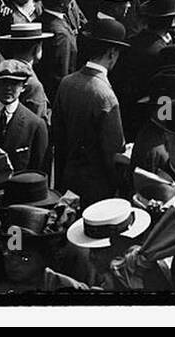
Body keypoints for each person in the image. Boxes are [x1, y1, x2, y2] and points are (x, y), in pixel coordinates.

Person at [52, 18, 129, 204]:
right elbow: (113, 154)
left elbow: (58, 136)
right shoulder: (105, 96)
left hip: (68, 181)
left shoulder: (67, 82)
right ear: (112, 53)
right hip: (98, 189)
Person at [0, 59, 49, 172]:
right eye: (3, 82)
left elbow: (39, 172)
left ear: (23, 87)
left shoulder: (35, 125)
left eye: (14, 83)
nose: (8, 88)